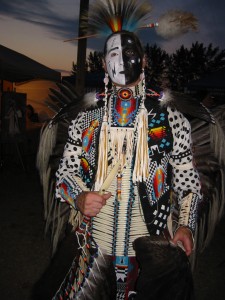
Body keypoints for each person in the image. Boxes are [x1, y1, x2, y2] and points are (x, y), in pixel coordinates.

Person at [53, 1, 201, 299]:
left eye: (129, 53)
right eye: (113, 54)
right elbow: (64, 176)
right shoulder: (87, 118)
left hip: (151, 249)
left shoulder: (170, 118)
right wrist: (79, 197)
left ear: (144, 61)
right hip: (95, 245)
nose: (121, 60)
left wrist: (185, 226)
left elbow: (187, 182)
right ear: (105, 64)